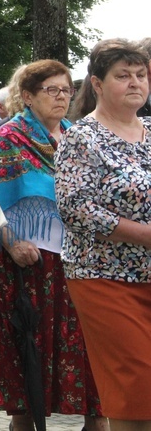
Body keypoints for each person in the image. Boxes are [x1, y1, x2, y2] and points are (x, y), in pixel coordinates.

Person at [0, 59, 105, 430]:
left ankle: (96, 423)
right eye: (51, 90)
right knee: (28, 355)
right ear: (27, 96)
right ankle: (22, 425)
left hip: (74, 263)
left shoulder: (75, 136)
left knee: (88, 357)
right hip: (25, 264)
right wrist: (12, 244)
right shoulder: (10, 137)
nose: (62, 97)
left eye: (67, 89)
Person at [55, 39, 151, 430]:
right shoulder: (83, 136)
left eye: (141, 75)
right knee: (136, 384)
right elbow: (76, 209)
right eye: (122, 76)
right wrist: (146, 235)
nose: (135, 83)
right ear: (96, 83)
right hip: (103, 276)